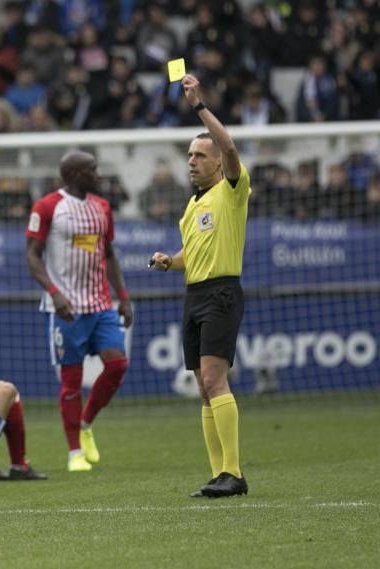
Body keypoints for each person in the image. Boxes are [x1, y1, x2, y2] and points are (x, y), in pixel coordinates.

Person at [149, 74, 250, 499]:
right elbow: (193, 253)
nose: (191, 161)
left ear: (216, 162)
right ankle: (218, 474)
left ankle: (235, 472)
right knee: (203, 388)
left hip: (222, 292)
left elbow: (228, 146)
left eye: (198, 154)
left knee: (214, 379)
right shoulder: (192, 205)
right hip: (194, 294)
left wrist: (198, 106)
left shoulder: (231, 189)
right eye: (189, 155)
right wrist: (170, 261)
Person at [25, 151, 132, 473]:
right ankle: (74, 452)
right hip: (67, 309)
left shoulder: (102, 207)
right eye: (92, 169)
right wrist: (54, 293)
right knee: (71, 383)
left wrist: (123, 296)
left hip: (100, 305)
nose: (98, 175)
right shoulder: (47, 207)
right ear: (73, 175)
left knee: (117, 365)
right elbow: (32, 255)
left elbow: (108, 253)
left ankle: (85, 424)